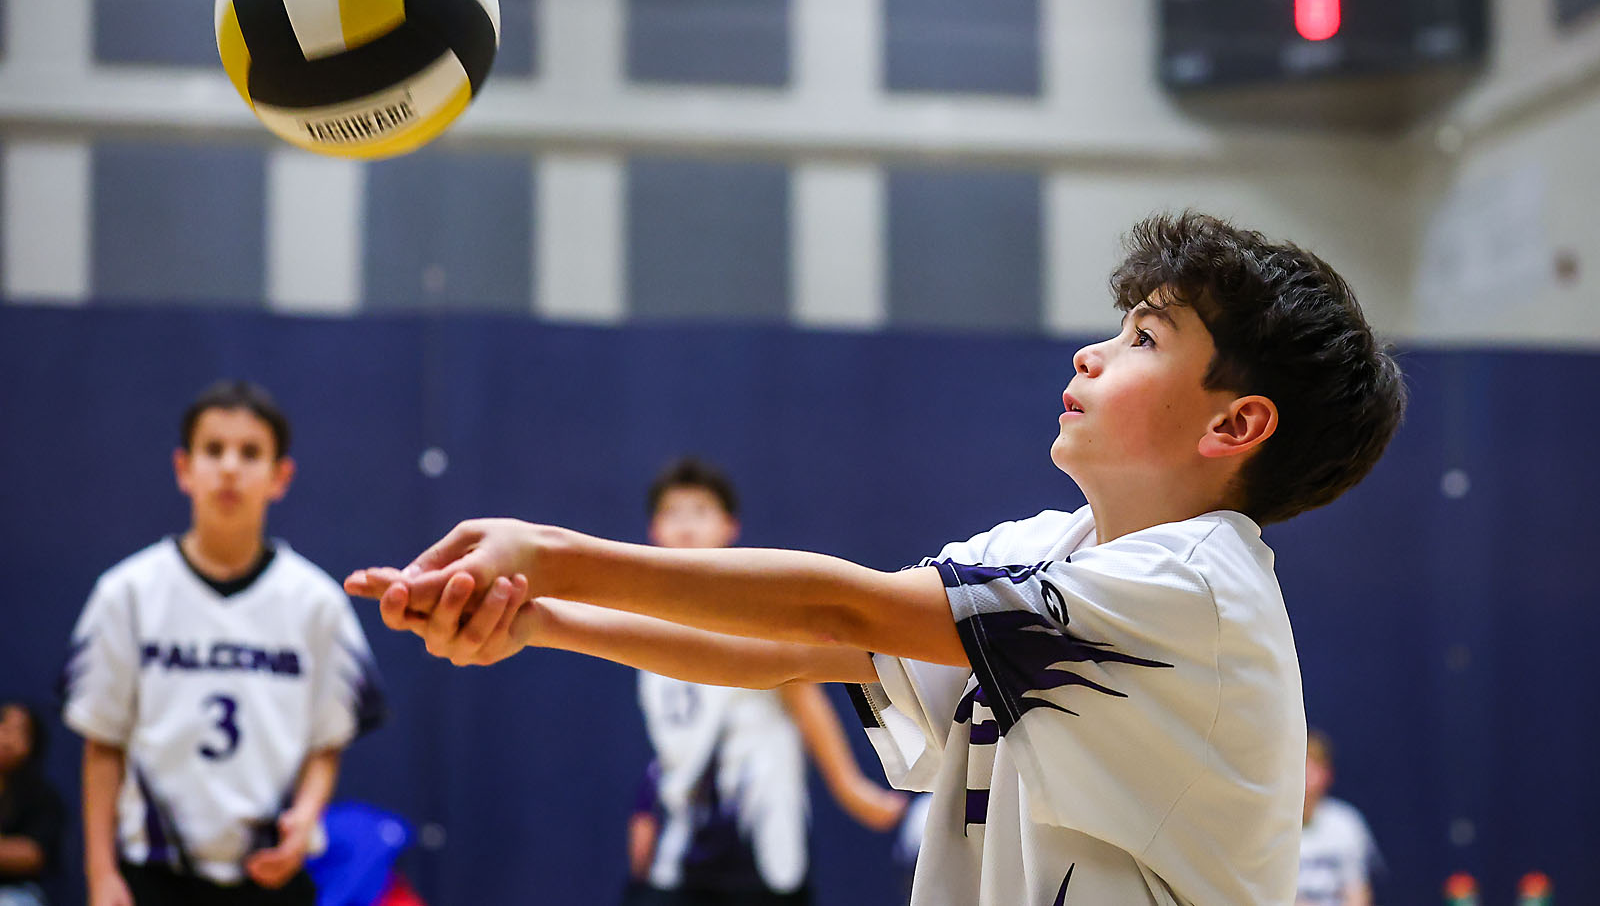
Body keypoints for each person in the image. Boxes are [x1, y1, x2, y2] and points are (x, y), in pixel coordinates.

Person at [346, 211, 1407, 905]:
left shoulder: (1195, 588)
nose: (1092, 349)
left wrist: (555, 554)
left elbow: (846, 610)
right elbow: (810, 640)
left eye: (1143, 337)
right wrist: (535, 616)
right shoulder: (1045, 551)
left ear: (1234, 424)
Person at [61, 380, 386, 906]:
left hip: (271, 877)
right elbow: (103, 743)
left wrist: (304, 822)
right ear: (183, 468)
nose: (230, 467)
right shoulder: (127, 593)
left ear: (281, 477)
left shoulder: (317, 602)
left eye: (250, 453)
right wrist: (100, 873)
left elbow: (328, 741)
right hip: (153, 875)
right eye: (214, 450)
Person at [622, 458, 904, 905]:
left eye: (700, 511)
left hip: (760, 851)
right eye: (673, 514)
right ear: (654, 530)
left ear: (729, 528)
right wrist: (645, 809)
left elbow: (804, 698)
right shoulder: (643, 623)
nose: (686, 526)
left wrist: (849, 785)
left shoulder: (749, 609)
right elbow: (677, 741)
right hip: (677, 853)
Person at [1296, 730, 1381, 906]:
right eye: (1301, 766)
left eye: (1314, 766)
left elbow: (1358, 890)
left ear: (1328, 774)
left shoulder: (1346, 822)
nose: (1307, 775)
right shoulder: (1268, 827)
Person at [0, 702, 66, 906]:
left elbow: (33, 855)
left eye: (18, 731)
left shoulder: (41, 795)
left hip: (16, 891)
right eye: (3, 726)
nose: (6, 739)